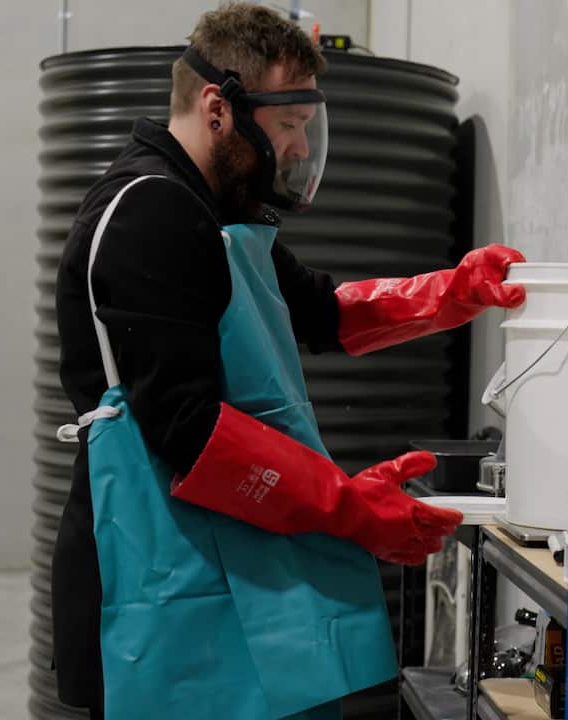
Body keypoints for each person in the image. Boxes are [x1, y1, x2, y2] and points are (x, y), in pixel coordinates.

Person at [50, 4, 526, 718]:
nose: (300, 147)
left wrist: (455, 293)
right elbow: (190, 429)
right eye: (289, 123)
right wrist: (351, 508)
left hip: (212, 548)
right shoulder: (150, 212)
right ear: (219, 108)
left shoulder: (207, 210)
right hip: (151, 570)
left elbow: (321, 311)